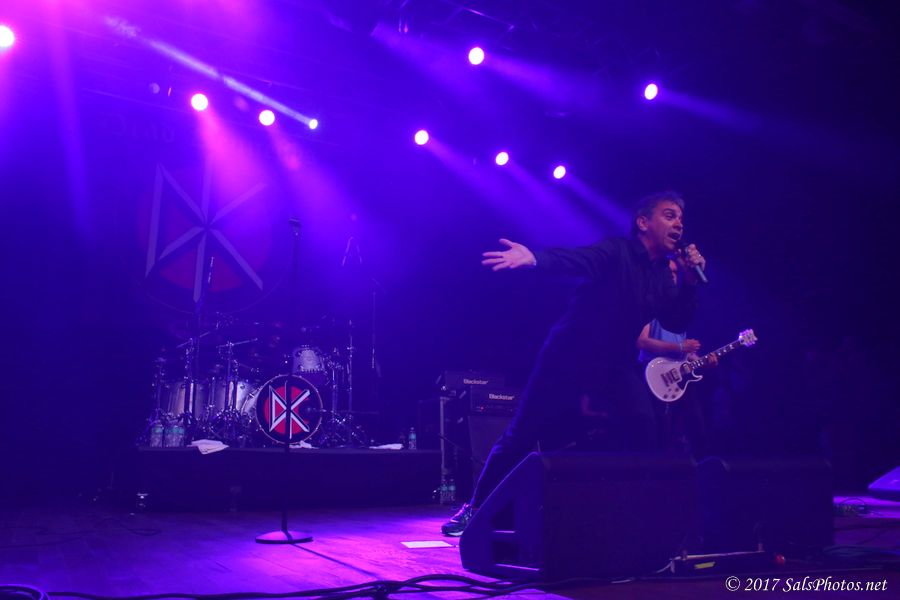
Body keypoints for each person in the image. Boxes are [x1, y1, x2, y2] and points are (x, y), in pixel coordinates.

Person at [441, 191, 707, 536]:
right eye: (669, 215)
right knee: (523, 433)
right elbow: (576, 259)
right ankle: (475, 509)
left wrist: (689, 282)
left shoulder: (661, 275)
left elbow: (675, 318)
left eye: (681, 218)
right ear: (643, 222)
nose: (679, 224)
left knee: (644, 427)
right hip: (569, 355)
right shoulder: (617, 251)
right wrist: (533, 258)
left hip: (614, 364)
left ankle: (636, 516)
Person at [636, 260, 716, 457]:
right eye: (668, 271)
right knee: (659, 426)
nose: (673, 275)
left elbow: (684, 352)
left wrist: (702, 360)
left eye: (675, 272)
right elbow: (642, 341)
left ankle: (702, 465)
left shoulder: (679, 308)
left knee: (696, 423)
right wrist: (680, 347)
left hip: (678, 374)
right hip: (653, 374)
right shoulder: (650, 303)